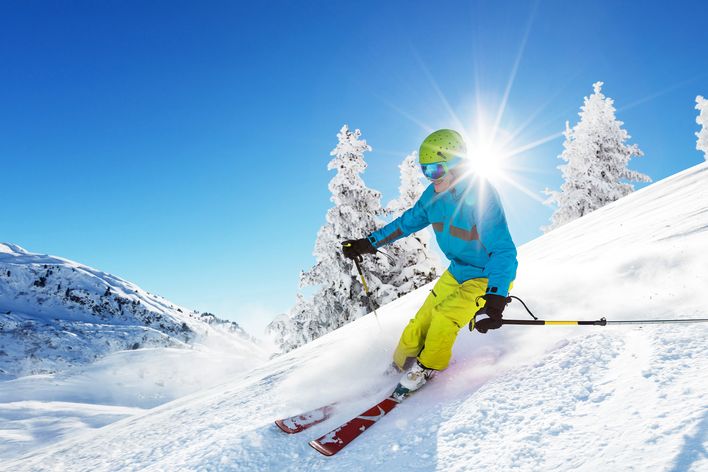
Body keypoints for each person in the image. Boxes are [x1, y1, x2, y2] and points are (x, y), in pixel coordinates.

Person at [342, 129, 518, 398]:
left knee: (444, 318)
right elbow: (405, 223)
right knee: (418, 325)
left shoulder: (480, 193)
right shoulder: (432, 197)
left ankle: (427, 368)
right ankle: (398, 367)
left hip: (486, 275)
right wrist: (369, 243)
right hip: (458, 271)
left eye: (436, 170)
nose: (430, 178)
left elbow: (503, 250)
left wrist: (495, 298)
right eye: (425, 171)